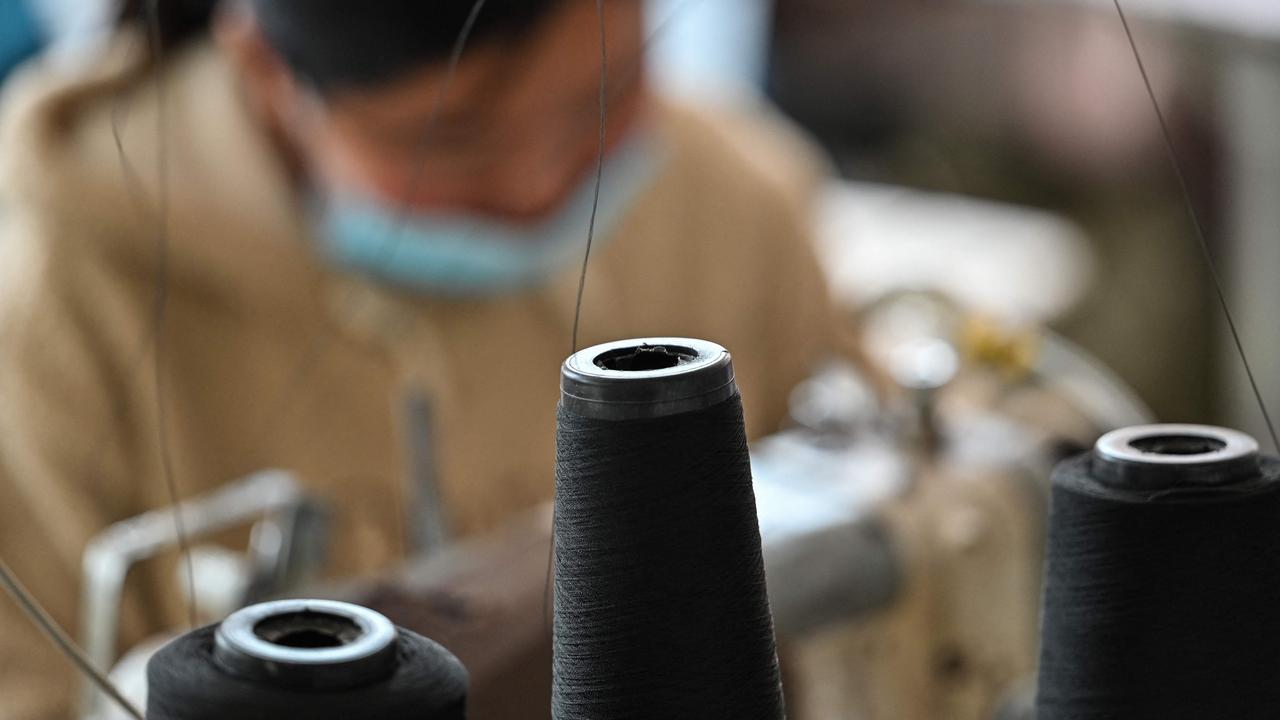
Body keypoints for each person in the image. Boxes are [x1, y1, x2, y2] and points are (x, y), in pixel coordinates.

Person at [0, 1, 834, 717]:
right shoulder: (53, 301)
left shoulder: (736, 206)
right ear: (263, 68)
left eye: (601, 99)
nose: (534, 183)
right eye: (457, 140)